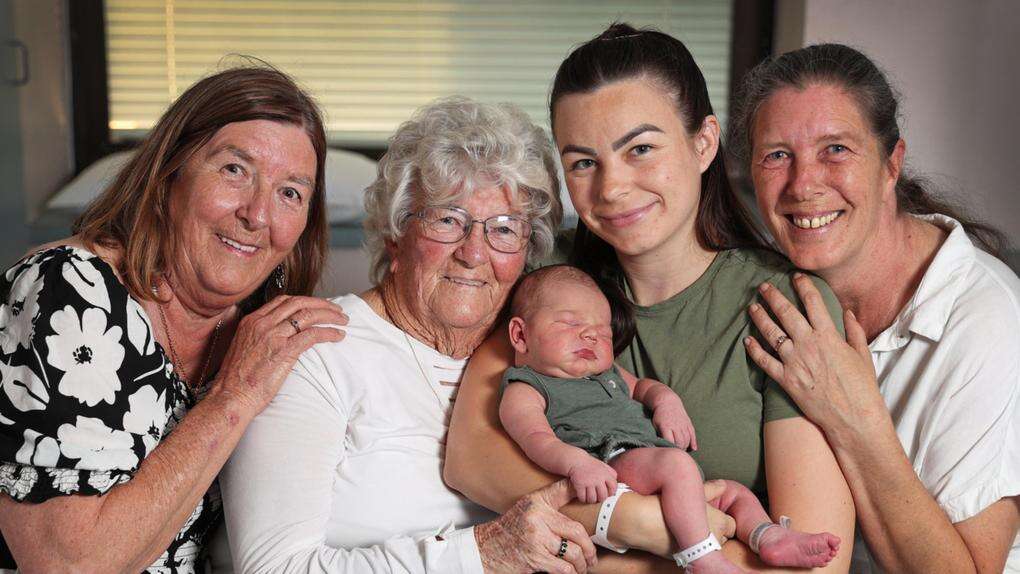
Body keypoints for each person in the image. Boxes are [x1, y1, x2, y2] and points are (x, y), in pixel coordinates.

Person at [444, 23, 856, 572]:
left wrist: (612, 555)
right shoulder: (545, 274)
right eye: (583, 162)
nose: (611, 188)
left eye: (640, 148)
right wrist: (640, 523)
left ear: (703, 143)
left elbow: (818, 565)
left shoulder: (785, 308)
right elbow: (471, 460)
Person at [219, 96, 600, 573]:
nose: (474, 253)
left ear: (529, 248)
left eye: (504, 229)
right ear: (396, 231)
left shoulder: (541, 358)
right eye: (447, 219)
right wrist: (484, 553)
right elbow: (272, 570)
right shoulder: (316, 352)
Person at [0, 66, 347, 573]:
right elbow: (69, 565)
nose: (257, 215)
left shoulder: (260, 323)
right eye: (235, 170)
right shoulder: (66, 291)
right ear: (168, 175)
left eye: (290, 192)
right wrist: (234, 397)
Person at [728, 43, 1020, 573]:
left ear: (892, 163)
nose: (803, 184)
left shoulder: (990, 323)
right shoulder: (769, 293)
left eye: (835, 149)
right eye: (776, 155)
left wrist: (853, 417)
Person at [500, 265, 841, 573]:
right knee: (677, 467)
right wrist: (576, 464)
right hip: (607, 466)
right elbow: (535, 438)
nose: (591, 336)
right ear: (520, 336)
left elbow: (644, 388)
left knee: (733, 494)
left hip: (656, 469)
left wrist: (667, 401)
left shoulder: (607, 372)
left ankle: (767, 536)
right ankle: (702, 558)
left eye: (602, 332)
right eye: (571, 323)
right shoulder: (528, 386)